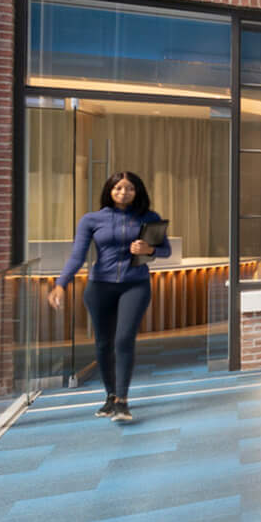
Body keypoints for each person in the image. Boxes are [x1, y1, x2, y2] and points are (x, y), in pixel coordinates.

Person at [47, 171, 171, 424]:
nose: (124, 193)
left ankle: (123, 402)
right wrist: (61, 284)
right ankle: (110, 396)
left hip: (135, 285)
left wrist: (149, 249)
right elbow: (77, 256)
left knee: (124, 339)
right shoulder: (92, 219)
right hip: (99, 287)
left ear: (137, 191)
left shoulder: (148, 217)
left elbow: (165, 250)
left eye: (129, 189)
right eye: (118, 188)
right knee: (103, 344)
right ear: (109, 191)